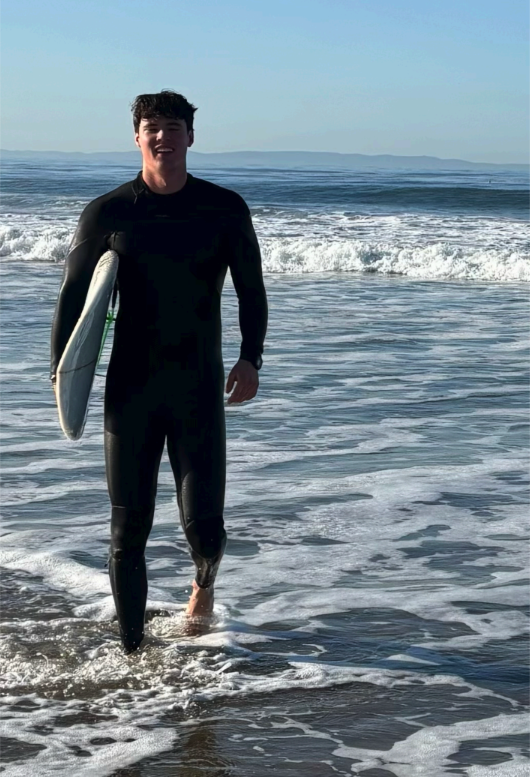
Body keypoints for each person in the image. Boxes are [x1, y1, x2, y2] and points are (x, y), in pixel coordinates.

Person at [50, 90, 268, 654]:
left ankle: (203, 584)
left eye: (173, 127)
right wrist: (62, 376)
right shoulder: (108, 212)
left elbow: (251, 289)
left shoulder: (223, 208)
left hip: (197, 387)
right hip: (131, 390)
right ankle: (133, 656)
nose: (162, 136)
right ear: (137, 137)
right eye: (152, 126)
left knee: (206, 532)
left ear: (190, 137)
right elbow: (73, 301)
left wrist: (251, 356)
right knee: (128, 534)